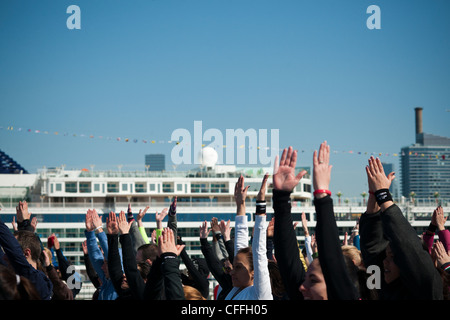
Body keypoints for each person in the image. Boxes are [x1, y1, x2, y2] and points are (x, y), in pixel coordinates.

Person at [360, 155, 443, 299]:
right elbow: (372, 249)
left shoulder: (427, 288)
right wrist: (374, 194)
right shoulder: (379, 287)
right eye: (387, 256)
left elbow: (406, 244)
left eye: (392, 257)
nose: (385, 261)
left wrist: (383, 196)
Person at [224, 174, 273, 300]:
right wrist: (241, 204)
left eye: (239, 267)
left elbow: (259, 253)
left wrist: (261, 203)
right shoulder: (236, 289)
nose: (232, 272)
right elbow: (240, 243)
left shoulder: (259, 294)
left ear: (254, 272)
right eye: (234, 267)